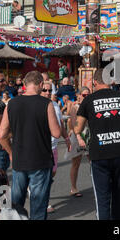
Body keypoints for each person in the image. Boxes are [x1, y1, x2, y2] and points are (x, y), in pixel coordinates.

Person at [74, 68, 120, 220]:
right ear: (111, 81)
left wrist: (72, 127)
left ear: (94, 82)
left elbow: (77, 128)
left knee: (102, 198)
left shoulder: (88, 100)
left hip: (99, 154)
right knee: (118, 195)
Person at [0, 71, 62, 220]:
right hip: (41, 159)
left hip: (19, 159)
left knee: (16, 202)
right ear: (40, 84)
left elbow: (1, 134)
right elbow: (56, 132)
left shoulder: (11, 103)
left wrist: (11, 152)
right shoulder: (46, 104)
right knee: (38, 205)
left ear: (25, 85)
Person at [40, 82, 71, 214]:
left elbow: (60, 124)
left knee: (52, 174)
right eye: (44, 90)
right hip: (41, 147)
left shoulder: (55, 106)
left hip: (54, 146)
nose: (47, 93)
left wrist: (67, 139)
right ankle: (44, 202)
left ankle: (36, 189)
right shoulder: (37, 105)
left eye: (49, 90)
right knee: (45, 177)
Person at [67, 88, 91, 197]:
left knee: (93, 161)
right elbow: (73, 124)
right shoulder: (74, 107)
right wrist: (78, 137)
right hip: (78, 136)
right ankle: (73, 188)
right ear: (79, 95)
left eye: (88, 95)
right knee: (76, 163)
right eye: (84, 95)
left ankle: (99, 184)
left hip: (89, 135)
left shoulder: (91, 105)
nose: (86, 97)